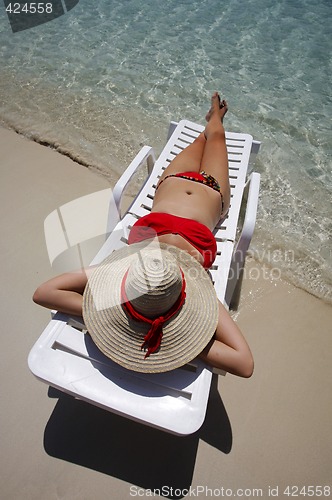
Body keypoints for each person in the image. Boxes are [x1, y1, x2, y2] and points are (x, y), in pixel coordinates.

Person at [33, 92, 254, 378]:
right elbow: (244, 363)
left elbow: (44, 293)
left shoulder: (127, 271)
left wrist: (103, 314)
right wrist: (186, 338)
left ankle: (211, 120)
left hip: (171, 185)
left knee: (203, 139)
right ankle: (216, 119)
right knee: (216, 138)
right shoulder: (196, 292)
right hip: (211, 193)